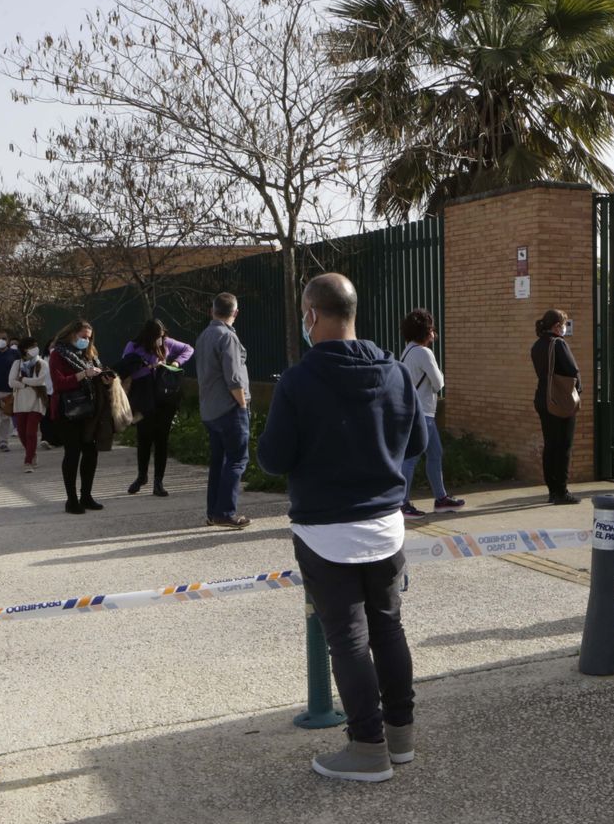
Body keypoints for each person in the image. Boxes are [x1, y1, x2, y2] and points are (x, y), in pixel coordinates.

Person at [258, 273, 426, 783]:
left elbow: (271, 459)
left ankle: (366, 748)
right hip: (385, 525)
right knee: (388, 628)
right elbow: (416, 440)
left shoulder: (298, 382)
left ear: (311, 315)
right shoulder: (395, 371)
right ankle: (400, 738)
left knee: (348, 641)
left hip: (326, 533)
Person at [397, 309, 464, 518]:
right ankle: (402, 503)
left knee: (435, 453)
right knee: (412, 457)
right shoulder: (424, 353)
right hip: (422, 413)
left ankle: (441, 499)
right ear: (426, 331)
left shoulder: (408, 350)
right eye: (432, 329)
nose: (434, 333)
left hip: (418, 411)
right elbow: (439, 383)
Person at [195, 293, 252, 529]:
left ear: (212, 310)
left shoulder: (204, 336)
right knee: (237, 459)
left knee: (219, 462)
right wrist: (242, 404)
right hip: (230, 407)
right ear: (235, 313)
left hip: (210, 409)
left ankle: (213, 512)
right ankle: (225, 512)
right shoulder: (227, 337)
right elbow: (234, 377)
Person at [122, 319, 194, 498]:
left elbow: (188, 349)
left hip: (164, 396)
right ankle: (141, 476)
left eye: (162, 337)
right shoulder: (134, 346)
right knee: (143, 438)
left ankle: (158, 481)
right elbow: (126, 367)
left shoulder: (166, 343)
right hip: (142, 396)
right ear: (148, 336)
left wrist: (175, 363)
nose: (160, 341)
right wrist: (150, 367)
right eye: (157, 337)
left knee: (162, 439)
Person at [48, 319, 114, 513]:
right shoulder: (58, 354)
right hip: (67, 410)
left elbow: (96, 375)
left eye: (89, 337)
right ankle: (72, 499)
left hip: (88, 409)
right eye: (83, 336)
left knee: (91, 452)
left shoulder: (89, 354)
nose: (86, 340)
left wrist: (104, 378)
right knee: (72, 453)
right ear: (71, 334)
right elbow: (59, 383)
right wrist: (84, 374)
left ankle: (87, 495)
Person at [530, 309, 581, 505]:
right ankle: (562, 491)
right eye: (564, 324)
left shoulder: (537, 345)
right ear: (557, 326)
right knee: (564, 445)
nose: (565, 328)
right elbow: (572, 369)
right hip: (560, 399)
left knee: (550, 444)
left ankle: (552, 489)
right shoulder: (558, 343)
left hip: (543, 397)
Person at [8, 337, 50, 473]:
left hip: (37, 401)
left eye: (35, 346)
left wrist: (23, 380)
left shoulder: (42, 363)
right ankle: (32, 453)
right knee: (21, 432)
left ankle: (28, 461)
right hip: (20, 402)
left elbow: (40, 381)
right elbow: (11, 382)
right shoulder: (17, 363)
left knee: (31, 432)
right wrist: (26, 383)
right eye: (31, 347)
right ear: (24, 350)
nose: (35, 349)